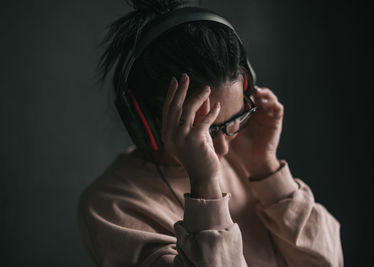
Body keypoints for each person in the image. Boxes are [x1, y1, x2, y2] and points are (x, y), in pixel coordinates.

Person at [77, 0, 344, 266]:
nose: (223, 149)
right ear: (145, 120)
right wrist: (204, 186)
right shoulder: (112, 206)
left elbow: (328, 262)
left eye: (235, 119)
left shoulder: (245, 162)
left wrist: (265, 168)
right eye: (203, 129)